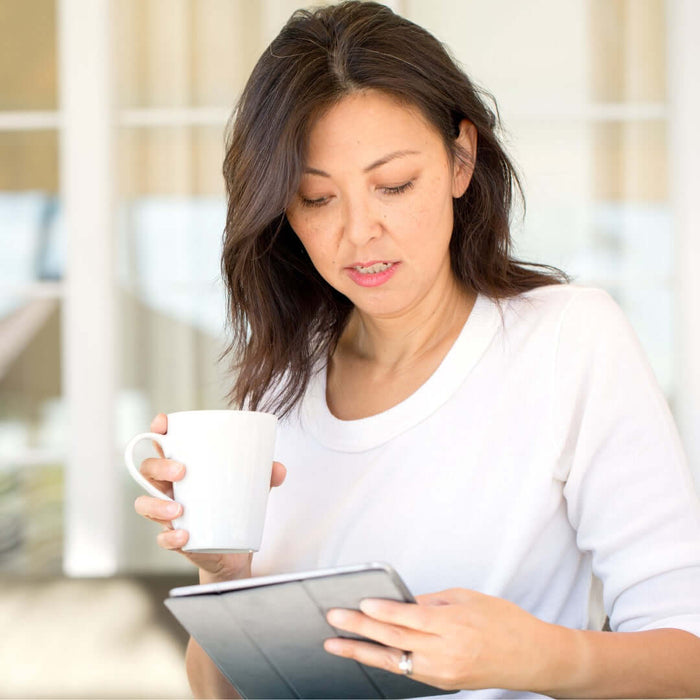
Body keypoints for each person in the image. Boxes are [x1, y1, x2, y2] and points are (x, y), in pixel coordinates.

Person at [133, 2, 700, 697]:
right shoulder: (282, 384)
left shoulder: (566, 341)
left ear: (461, 159)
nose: (358, 232)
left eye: (393, 185)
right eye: (316, 199)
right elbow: (221, 691)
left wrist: (539, 657)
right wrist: (223, 576)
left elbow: (687, 657)